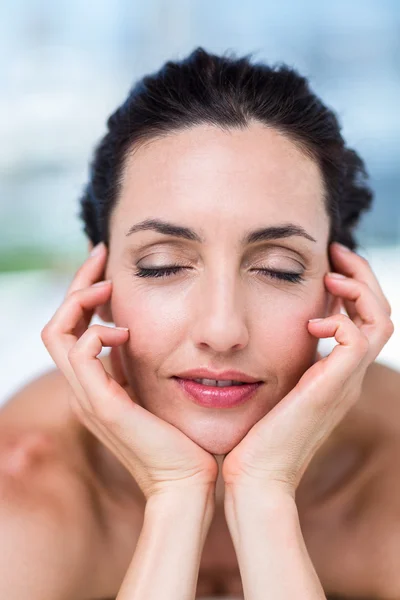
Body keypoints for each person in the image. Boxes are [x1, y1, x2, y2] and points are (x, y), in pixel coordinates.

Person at [0, 46, 398, 600]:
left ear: (340, 296)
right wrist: (175, 493)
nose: (221, 327)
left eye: (278, 271)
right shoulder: (17, 493)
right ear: (97, 289)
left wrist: (264, 495)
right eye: (161, 266)